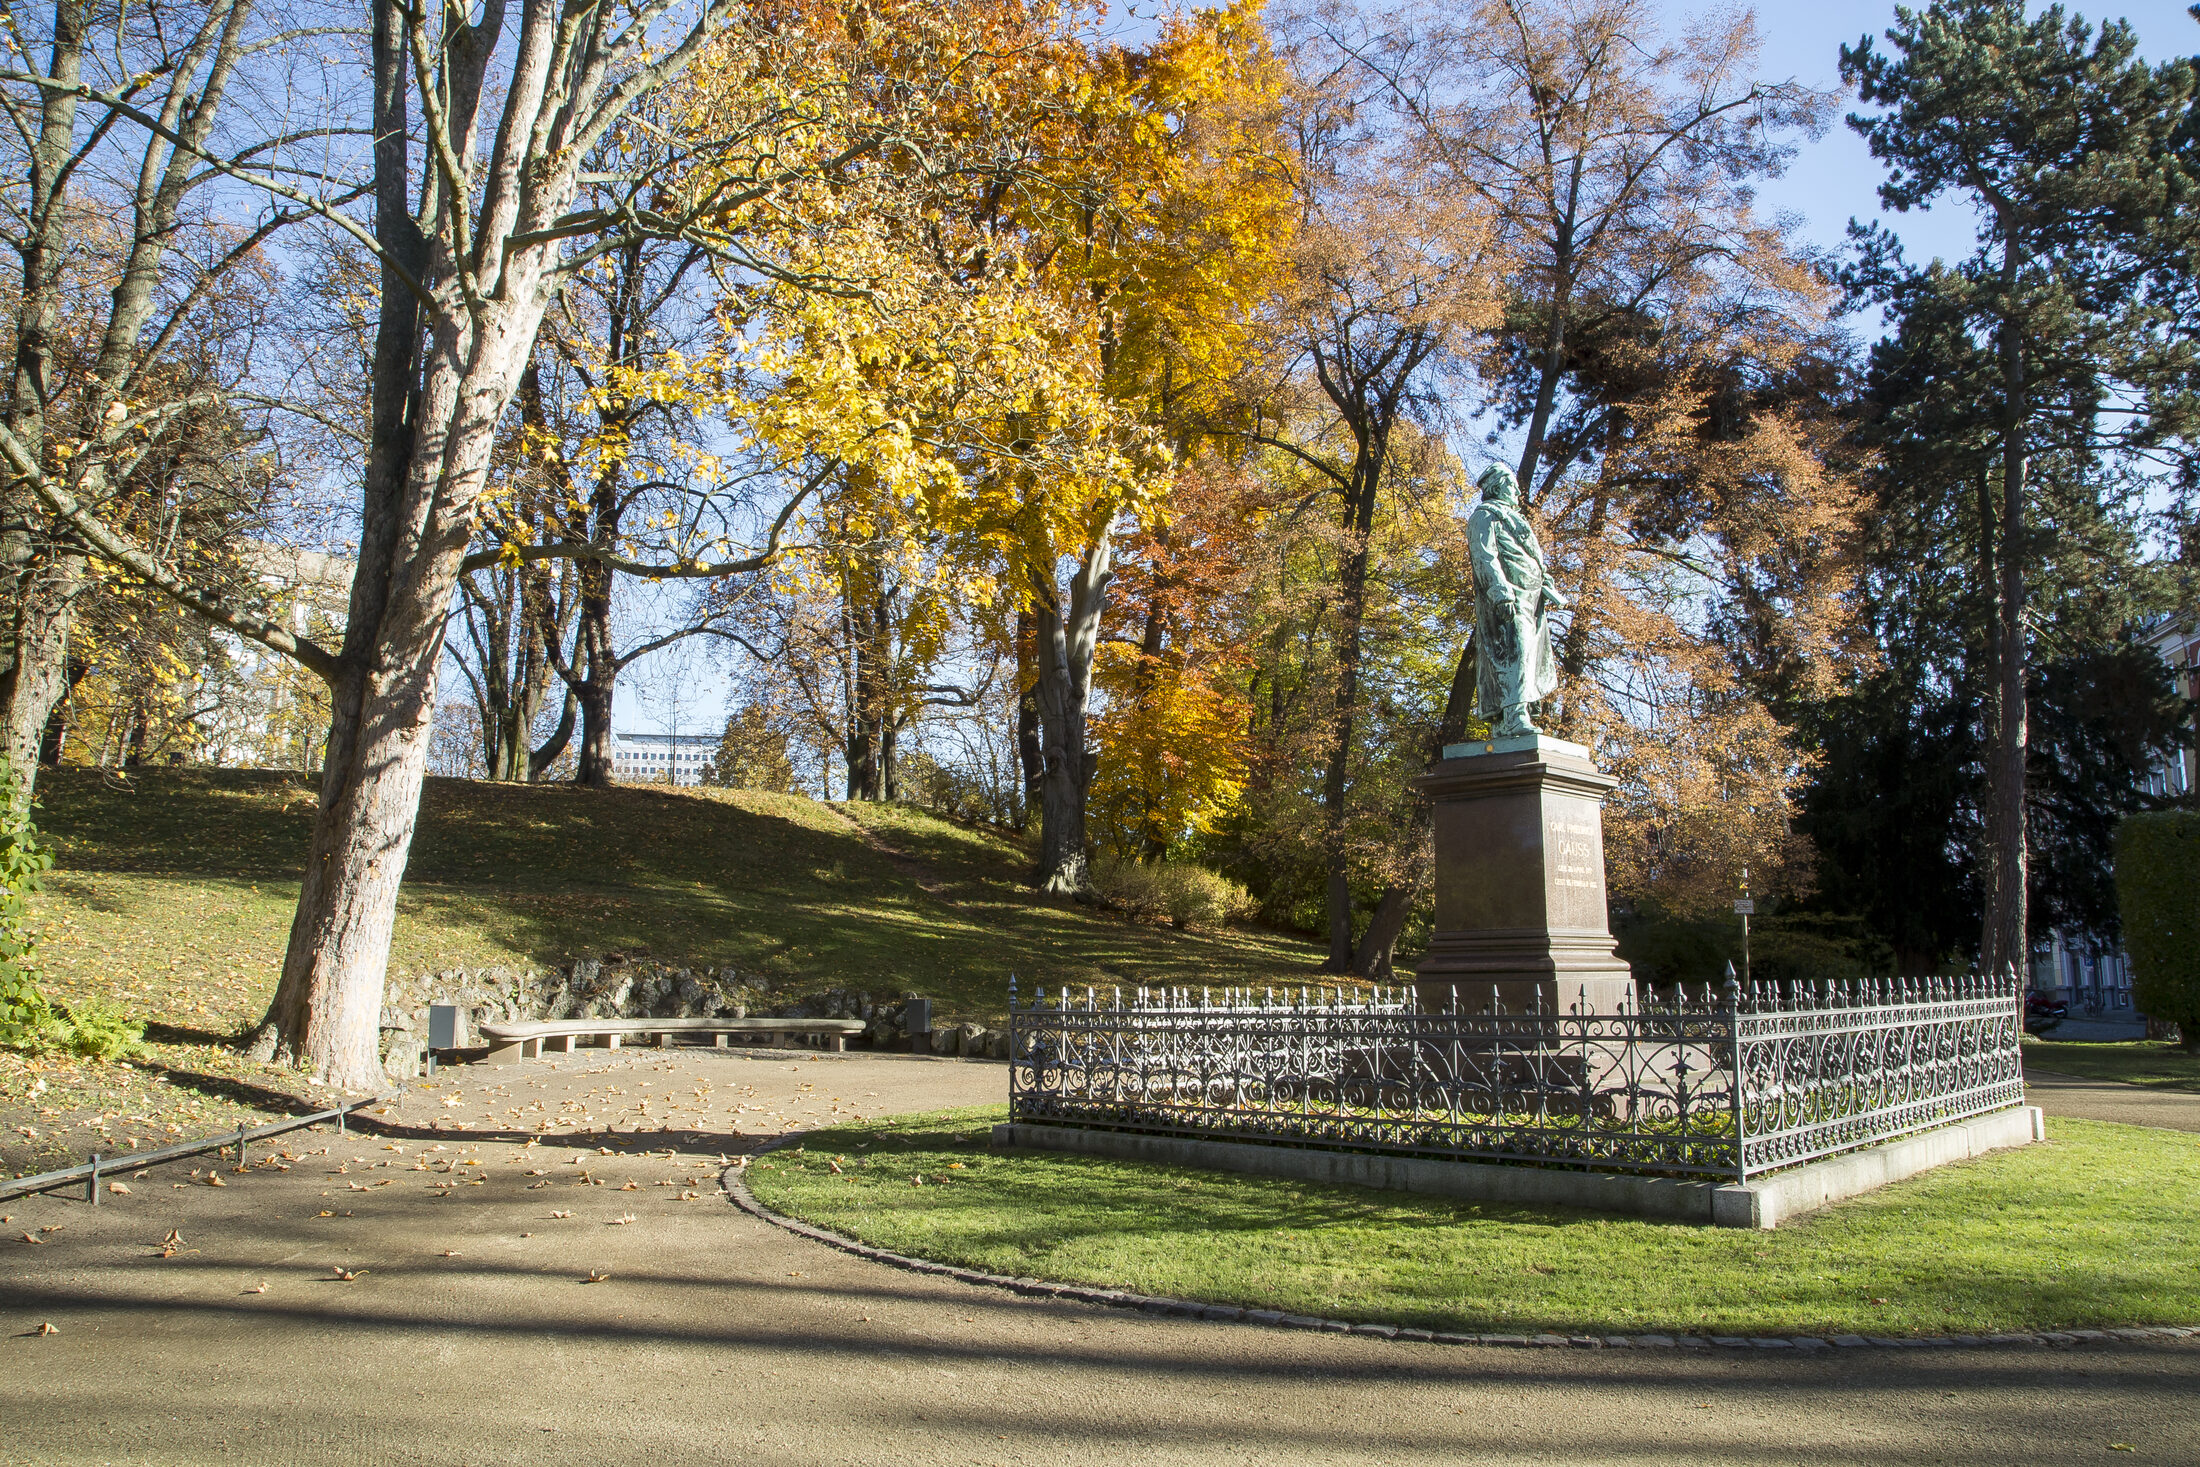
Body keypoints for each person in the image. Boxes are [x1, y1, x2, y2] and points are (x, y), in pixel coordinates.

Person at [1467, 463, 1566, 737]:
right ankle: (1513, 716)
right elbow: (1484, 557)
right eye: (1511, 485)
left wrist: (1547, 584)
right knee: (1514, 653)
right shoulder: (1484, 517)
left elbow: (1532, 558)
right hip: (1508, 599)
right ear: (1497, 487)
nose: (1517, 491)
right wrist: (1500, 593)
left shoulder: (1514, 519)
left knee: (1530, 657)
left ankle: (1513, 718)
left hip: (1532, 600)